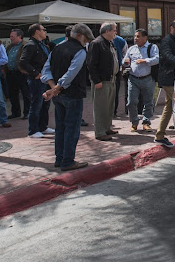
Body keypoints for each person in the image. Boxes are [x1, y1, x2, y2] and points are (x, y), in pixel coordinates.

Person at [41, 23, 95, 171]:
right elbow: (71, 73)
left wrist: (54, 88)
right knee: (71, 128)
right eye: (86, 38)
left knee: (61, 127)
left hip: (59, 95)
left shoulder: (57, 48)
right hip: (72, 94)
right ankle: (68, 161)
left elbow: (46, 70)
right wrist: (57, 88)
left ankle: (60, 158)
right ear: (79, 35)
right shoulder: (80, 51)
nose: (87, 41)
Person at [20, 23, 54, 138]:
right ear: (37, 32)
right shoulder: (30, 45)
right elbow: (23, 61)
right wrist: (35, 73)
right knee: (36, 104)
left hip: (45, 79)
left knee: (45, 103)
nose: (45, 32)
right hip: (37, 80)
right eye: (43, 30)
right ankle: (33, 130)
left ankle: (43, 126)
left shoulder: (42, 45)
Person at [87, 22, 119, 141]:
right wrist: (96, 80)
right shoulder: (96, 43)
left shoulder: (110, 43)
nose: (115, 33)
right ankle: (100, 132)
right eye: (114, 30)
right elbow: (91, 63)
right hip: (102, 81)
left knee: (109, 106)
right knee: (100, 107)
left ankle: (106, 127)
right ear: (107, 31)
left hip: (111, 79)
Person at [124, 29, 159, 132]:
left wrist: (145, 61)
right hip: (133, 78)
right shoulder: (131, 49)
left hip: (147, 78)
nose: (135, 39)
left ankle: (146, 122)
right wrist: (125, 62)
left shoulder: (152, 47)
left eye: (138, 36)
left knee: (148, 102)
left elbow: (157, 59)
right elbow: (125, 60)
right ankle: (134, 121)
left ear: (145, 37)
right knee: (131, 101)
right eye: (135, 36)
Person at [155, 21, 175, 148]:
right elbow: (168, 57)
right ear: (171, 28)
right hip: (168, 78)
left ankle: (159, 135)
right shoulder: (166, 41)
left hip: (173, 78)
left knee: (169, 107)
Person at [5, 28, 30, 120]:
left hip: (21, 73)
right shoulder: (10, 46)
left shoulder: (25, 45)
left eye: (12, 36)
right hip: (11, 72)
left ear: (19, 36)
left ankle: (27, 112)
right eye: (10, 36)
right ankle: (15, 112)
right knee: (12, 93)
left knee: (25, 93)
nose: (11, 38)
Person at [112, 28, 128, 117]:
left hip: (117, 70)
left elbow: (125, 53)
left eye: (115, 30)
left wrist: (122, 64)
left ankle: (114, 111)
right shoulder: (100, 41)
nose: (114, 32)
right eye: (113, 30)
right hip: (106, 72)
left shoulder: (120, 41)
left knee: (116, 91)